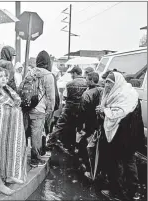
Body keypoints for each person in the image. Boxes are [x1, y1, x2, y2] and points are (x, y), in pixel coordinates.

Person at [96, 72, 145, 201]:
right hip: (127, 133)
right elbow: (111, 111)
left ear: (116, 82)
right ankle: (131, 191)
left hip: (124, 133)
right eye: (106, 82)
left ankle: (118, 191)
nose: (106, 85)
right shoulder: (119, 92)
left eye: (109, 83)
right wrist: (103, 111)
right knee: (127, 161)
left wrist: (104, 110)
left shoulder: (124, 94)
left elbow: (120, 112)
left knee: (119, 161)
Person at [0, 66, 27, 195]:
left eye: (5, 76)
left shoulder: (6, 89)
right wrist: (14, 110)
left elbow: (14, 104)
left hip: (10, 130)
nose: (4, 79)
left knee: (10, 151)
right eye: (0, 76)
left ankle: (9, 175)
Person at [21, 50, 55, 167]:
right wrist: (49, 112)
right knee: (36, 134)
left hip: (26, 107)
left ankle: (20, 158)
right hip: (39, 110)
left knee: (25, 132)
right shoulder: (48, 75)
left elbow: (21, 88)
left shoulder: (30, 72)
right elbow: (51, 98)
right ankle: (35, 159)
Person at [48, 66, 87, 153]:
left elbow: (65, 97)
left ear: (75, 73)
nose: (71, 76)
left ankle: (51, 143)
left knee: (60, 126)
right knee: (79, 129)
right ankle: (76, 148)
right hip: (81, 109)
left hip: (69, 108)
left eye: (72, 74)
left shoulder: (69, 84)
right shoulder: (87, 83)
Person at [76, 72, 103, 178]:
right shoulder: (102, 90)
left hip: (89, 124)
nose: (85, 81)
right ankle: (97, 170)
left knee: (85, 146)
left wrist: (79, 127)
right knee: (97, 148)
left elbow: (82, 112)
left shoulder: (87, 94)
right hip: (99, 124)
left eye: (87, 79)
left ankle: (89, 170)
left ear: (91, 80)